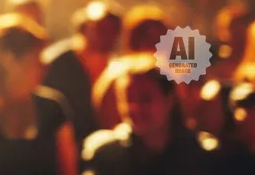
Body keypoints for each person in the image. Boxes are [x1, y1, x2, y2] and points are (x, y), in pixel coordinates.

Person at [0, 13, 77, 175]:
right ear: (9, 61)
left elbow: (69, 170)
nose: (44, 67)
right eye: (35, 59)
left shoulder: (53, 108)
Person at [81, 53, 221, 175]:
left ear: (169, 100)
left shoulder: (203, 154)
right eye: (128, 99)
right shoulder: (106, 155)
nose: (135, 108)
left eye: (145, 99)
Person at [42, 0, 123, 146]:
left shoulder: (117, 68)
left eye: (112, 28)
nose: (105, 33)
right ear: (84, 26)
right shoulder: (57, 64)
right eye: (99, 26)